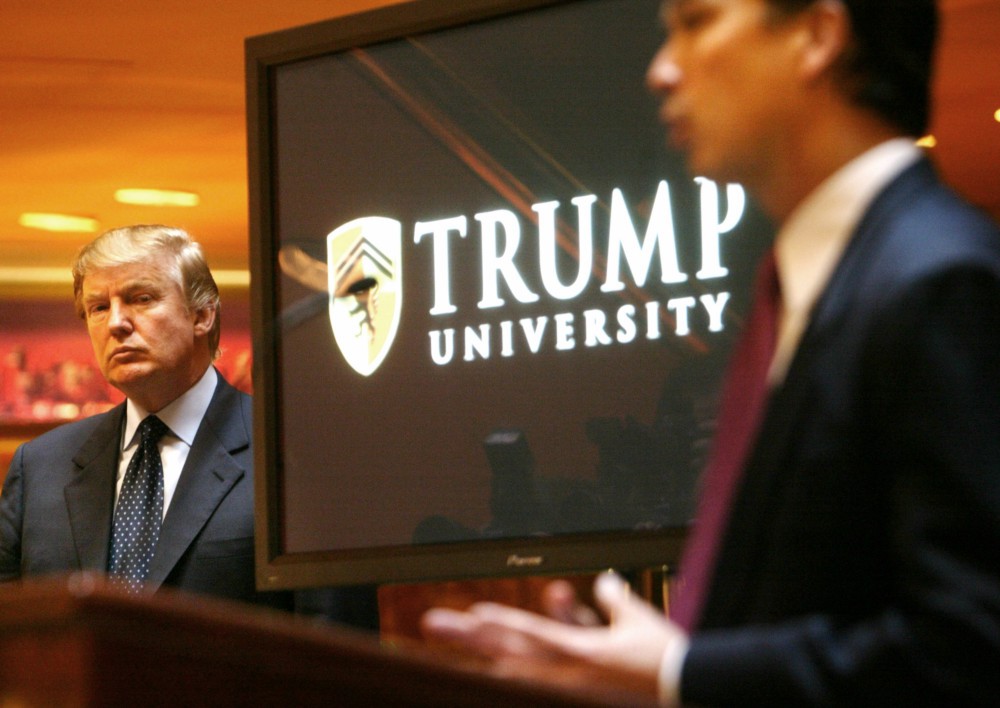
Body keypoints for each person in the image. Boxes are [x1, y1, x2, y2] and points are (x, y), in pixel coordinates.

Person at [421, 0, 1000, 705]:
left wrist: (681, 674)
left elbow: (969, 650)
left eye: (696, 23)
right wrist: (658, 672)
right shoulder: (804, 286)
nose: (661, 70)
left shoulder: (939, 280)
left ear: (817, 35)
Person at [0, 224, 289, 609]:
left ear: (202, 315)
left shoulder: (287, 450)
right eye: (99, 308)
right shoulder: (40, 466)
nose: (116, 323)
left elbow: (338, 641)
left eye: (141, 298)